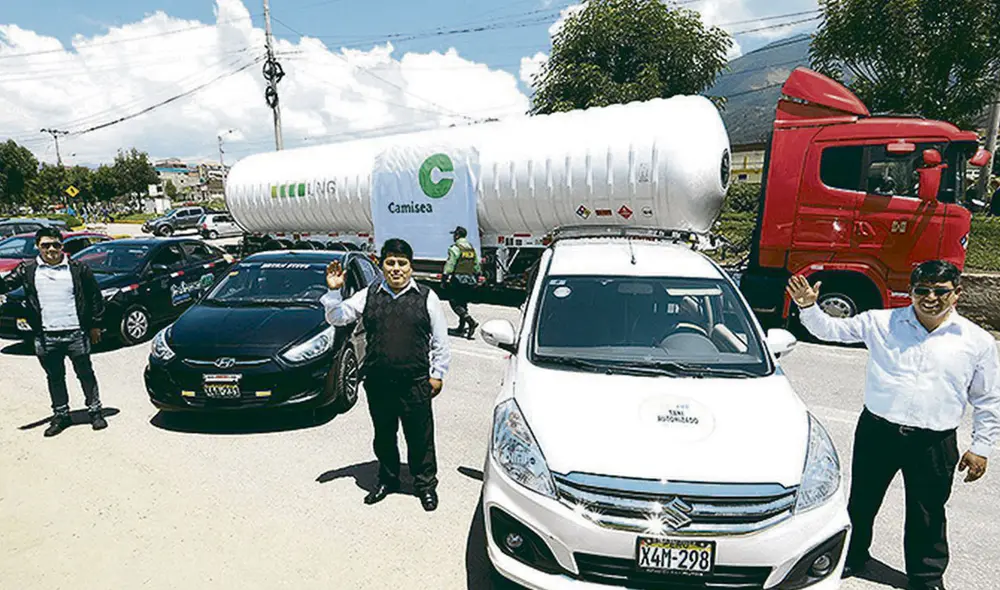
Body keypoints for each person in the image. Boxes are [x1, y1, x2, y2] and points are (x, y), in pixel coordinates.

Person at [787, 261, 999, 590]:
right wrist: (808, 307)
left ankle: (926, 577)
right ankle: (853, 557)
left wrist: (981, 447)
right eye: (922, 290)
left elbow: (988, 399)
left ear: (957, 294)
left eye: (940, 291)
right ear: (911, 292)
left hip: (934, 441)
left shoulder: (977, 341)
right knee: (862, 501)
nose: (930, 297)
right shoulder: (881, 322)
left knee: (927, 512)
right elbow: (830, 331)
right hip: (878, 432)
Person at [322, 238, 451, 511]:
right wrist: (334, 292)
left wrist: (437, 374)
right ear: (381, 265)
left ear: (410, 267)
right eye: (390, 262)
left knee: (420, 437)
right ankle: (388, 480)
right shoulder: (368, 295)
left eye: (401, 263)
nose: (396, 269)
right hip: (378, 383)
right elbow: (337, 317)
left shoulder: (427, 297)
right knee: (384, 435)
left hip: (415, 383)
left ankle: (425, 485)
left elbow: (440, 341)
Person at [0, 227, 107, 436]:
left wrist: (95, 325)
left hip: (76, 332)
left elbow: (95, 297)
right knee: (54, 377)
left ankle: (95, 411)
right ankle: (61, 415)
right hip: (45, 335)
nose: (51, 249)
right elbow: (5, 285)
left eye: (56, 245)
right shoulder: (28, 269)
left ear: (62, 246)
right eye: (45, 245)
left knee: (85, 373)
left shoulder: (78, 268)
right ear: (37, 246)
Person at [442, 226, 481, 339]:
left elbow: (450, 264)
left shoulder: (455, 248)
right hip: (470, 279)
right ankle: (461, 327)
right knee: (463, 302)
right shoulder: (470, 248)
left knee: (454, 302)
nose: (454, 237)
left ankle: (470, 321)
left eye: (454, 235)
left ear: (457, 235)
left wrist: (445, 277)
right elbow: (476, 265)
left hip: (458, 279)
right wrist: (478, 276)